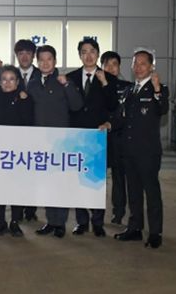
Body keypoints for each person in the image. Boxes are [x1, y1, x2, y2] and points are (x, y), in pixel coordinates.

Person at [114, 49, 169, 249]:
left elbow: (163, 108)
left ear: (151, 66)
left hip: (148, 152)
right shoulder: (129, 91)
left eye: (143, 64)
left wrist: (157, 89)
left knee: (151, 192)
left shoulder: (159, 89)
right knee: (134, 191)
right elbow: (121, 118)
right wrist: (108, 124)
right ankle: (135, 228)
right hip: (129, 151)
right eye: (135, 64)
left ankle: (155, 233)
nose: (138, 67)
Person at [27, 45, 83, 239]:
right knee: (46, 183)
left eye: (49, 59)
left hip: (61, 141)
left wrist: (67, 85)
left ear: (55, 61)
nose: (45, 63)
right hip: (40, 141)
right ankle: (51, 221)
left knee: (60, 183)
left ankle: (60, 223)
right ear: (37, 62)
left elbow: (77, 105)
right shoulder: (33, 83)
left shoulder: (64, 81)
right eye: (41, 59)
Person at [67, 38, 118, 237]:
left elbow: (113, 105)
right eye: (84, 52)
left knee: (97, 182)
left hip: (98, 137)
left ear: (97, 54)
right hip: (77, 136)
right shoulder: (70, 78)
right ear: (79, 55)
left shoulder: (109, 78)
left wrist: (104, 83)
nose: (88, 56)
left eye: (92, 51)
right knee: (78, 180)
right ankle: (81, 221)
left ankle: (98, 222)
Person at [0, 65, 33, 237]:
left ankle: (15, 221)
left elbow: (28, 122)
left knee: (17, 187)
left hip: (19, 150)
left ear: (18, 81)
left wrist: (23, 102)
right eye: (4, 79)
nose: (8, 82)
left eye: (12, 79)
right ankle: (0, 222)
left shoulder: (25, 98)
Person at [100, 51, 132, 225]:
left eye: (114, 64)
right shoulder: (95, 86)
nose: (111, 68)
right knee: (96, 177)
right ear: (102, 67)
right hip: (99, 138)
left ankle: (118, 212)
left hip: (119, 138)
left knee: (119, 177)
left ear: (119, 67)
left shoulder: (128, 87)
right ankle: (95, 213)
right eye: (107, 64)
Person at [14, 38, 41, 221]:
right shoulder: (9, 74)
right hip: (15, 131)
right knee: (16, 172)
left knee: (33, 172)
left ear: (33, 56)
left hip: (37, 129)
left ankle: (31, 209)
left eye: (28, 53)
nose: (24, 57)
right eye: (21, 53)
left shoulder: (42, 74)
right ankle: (17, 205)